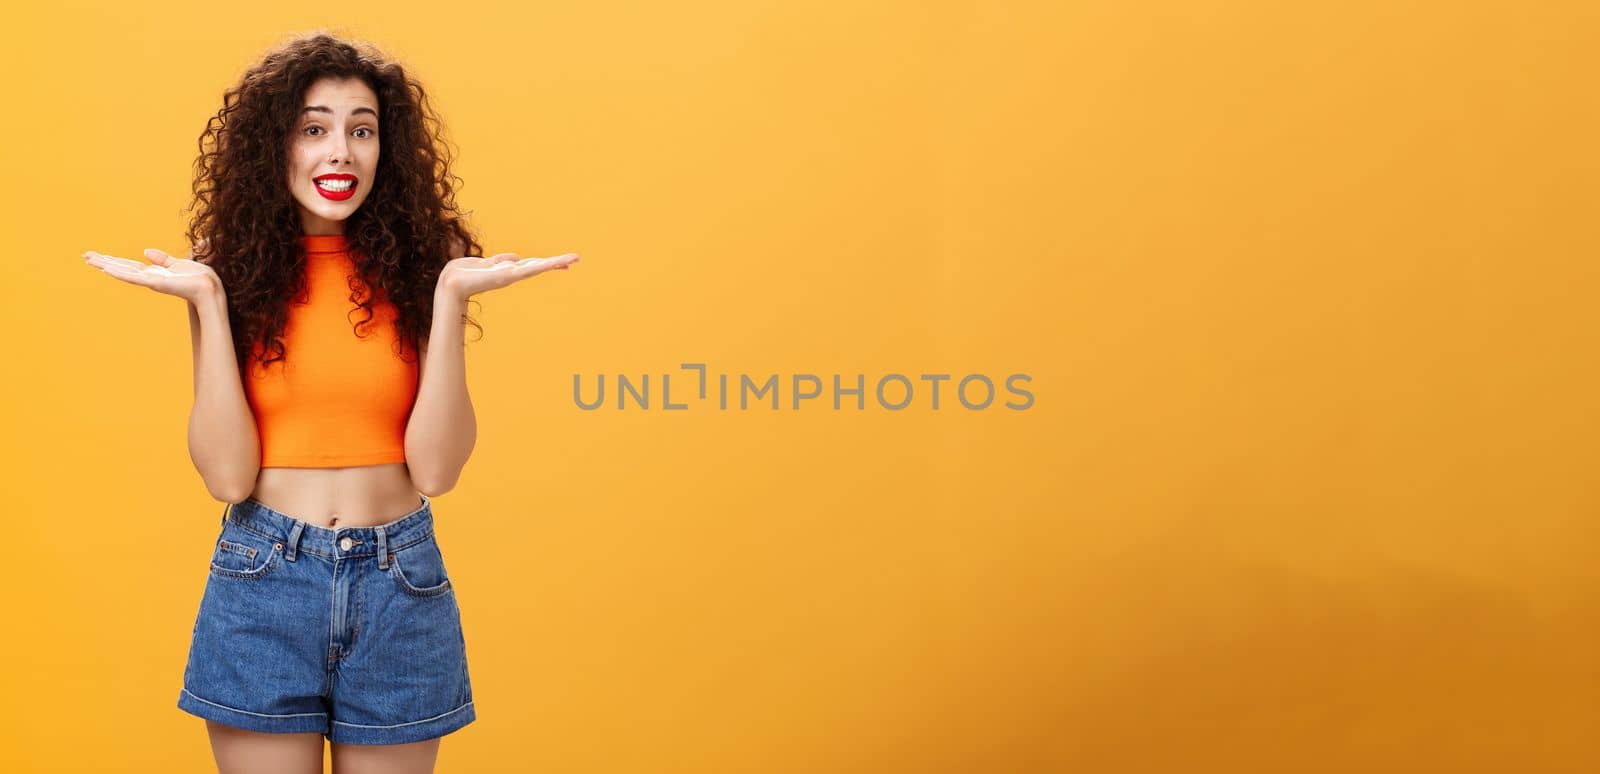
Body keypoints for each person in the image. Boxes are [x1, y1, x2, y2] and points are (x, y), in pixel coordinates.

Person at [82, 31, 579, 774]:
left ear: (387, 151)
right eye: (314, 128)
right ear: (274, 146)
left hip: (400, 585)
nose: (339, 151)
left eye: (362, 130)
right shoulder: (231, 283)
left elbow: (437, 470)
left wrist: (447, 302)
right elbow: (226, 478)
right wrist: (210, 305)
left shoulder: (422, 275)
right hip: (263, 582)